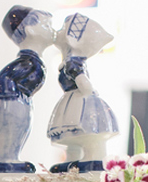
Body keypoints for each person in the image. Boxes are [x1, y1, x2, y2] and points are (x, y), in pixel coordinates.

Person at [0, 6, 55, 173]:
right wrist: (10, 98)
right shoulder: (28, 61)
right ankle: (5, 162)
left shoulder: (32, 59)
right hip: (10, 99)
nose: (52, 30)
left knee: (19, 130)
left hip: (18, 98)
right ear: (30, 30)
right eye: (47, 25)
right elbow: (4, 77)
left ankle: (8, 160)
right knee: (11, 132)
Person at [48, 12, 118, 172]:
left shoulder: (74, 64)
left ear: (73, 40)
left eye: (62, 30)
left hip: (79, 101)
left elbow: (83, 83)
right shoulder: (70, 62)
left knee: (86, 132)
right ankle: (74, 159)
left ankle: (90, 157)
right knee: (75, 133)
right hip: (74, 99)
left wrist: (89, 89)